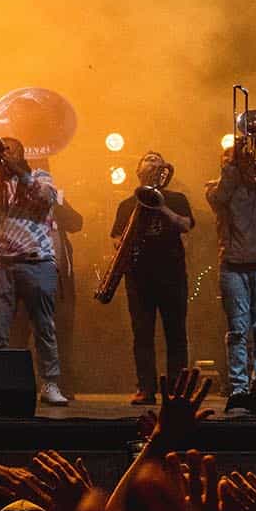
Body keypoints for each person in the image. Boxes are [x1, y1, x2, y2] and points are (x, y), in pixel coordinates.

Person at [0, 135, 76, 406]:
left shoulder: (39, 176)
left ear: (20, 154)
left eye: (8, 150)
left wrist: (16, 170)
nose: (2, 154)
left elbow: (44, 198)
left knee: (44, 326)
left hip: (37, 262)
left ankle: (50, 384)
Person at [204, 136, 256, 413]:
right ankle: (239, 389)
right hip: (233, 265)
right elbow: (221, 197)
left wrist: (255, 165)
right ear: (222, 164)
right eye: (229, 157)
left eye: (238, 156)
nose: (236, 159)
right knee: (238, 332)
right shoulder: (215, 188)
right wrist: (232, 168)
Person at [108, 151, 193, 405]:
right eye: (147, 159)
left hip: (172, 274)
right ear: (138, 170)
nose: (153, 162)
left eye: (157, 159)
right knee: (142, 334)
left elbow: (186, 224)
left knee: (176, 333)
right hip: (139, 276)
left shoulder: (176, 199)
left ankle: (177, 391)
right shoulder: (126, 204)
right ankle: (146, 388)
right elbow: (115, 238)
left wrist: (161, 206)